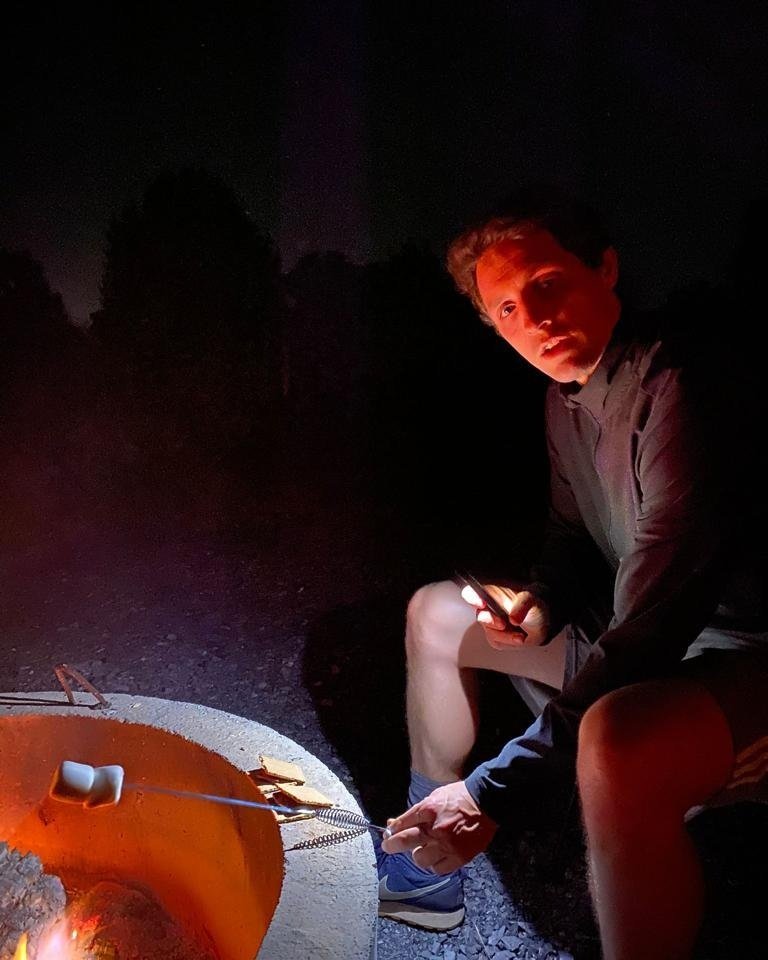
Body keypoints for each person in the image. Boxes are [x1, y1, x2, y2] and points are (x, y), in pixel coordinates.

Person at [376, 187, 768, 959]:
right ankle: (424, 866)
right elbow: (571, 537)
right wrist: (542, 605)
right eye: (508, 309)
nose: (535, 318)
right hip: (644, 638)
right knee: (437, 614)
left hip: (741, 658)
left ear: (606, 269)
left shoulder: (680, 386)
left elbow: (657, 620)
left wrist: (492, 789)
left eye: (547, 283)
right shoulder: (565, 399)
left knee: (613, 739)